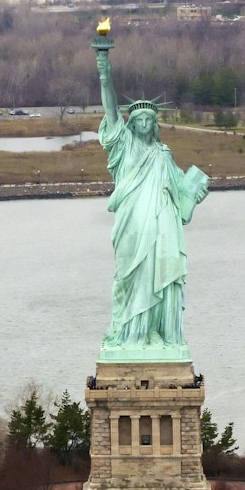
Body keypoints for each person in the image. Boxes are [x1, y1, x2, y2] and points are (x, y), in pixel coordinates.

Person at [93, 28, 209, 355]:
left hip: (161, 228)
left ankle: (156, 333)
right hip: (132, 225)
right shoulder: (124, 146)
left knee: (161, 272)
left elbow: (182, 194)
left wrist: (195, 193)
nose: (144, 124)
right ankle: (130, 333)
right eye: (139, 119)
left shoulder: (163, 154)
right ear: (132, 125)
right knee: (130, 276)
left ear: (154, 125)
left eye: (149, 120)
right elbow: (111, 111)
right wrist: (105, 71)